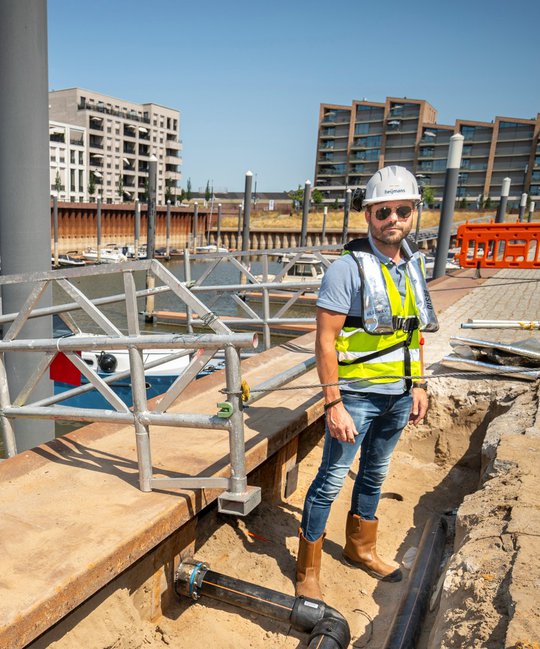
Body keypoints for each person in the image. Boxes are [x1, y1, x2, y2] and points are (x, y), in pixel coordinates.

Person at [295, 165, 439, 600]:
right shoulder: (346, 270)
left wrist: (418, 384)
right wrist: (333, 402)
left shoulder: (412, 266)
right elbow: (325, 340)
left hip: (399, 394)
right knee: (331, 477)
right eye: (383, 212)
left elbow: (413, 332)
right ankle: (308, 570)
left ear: (413, 213)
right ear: (368, 215)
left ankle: (361, 548)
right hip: (355, 396)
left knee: (374, 473)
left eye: (402, 210)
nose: (393, 219)